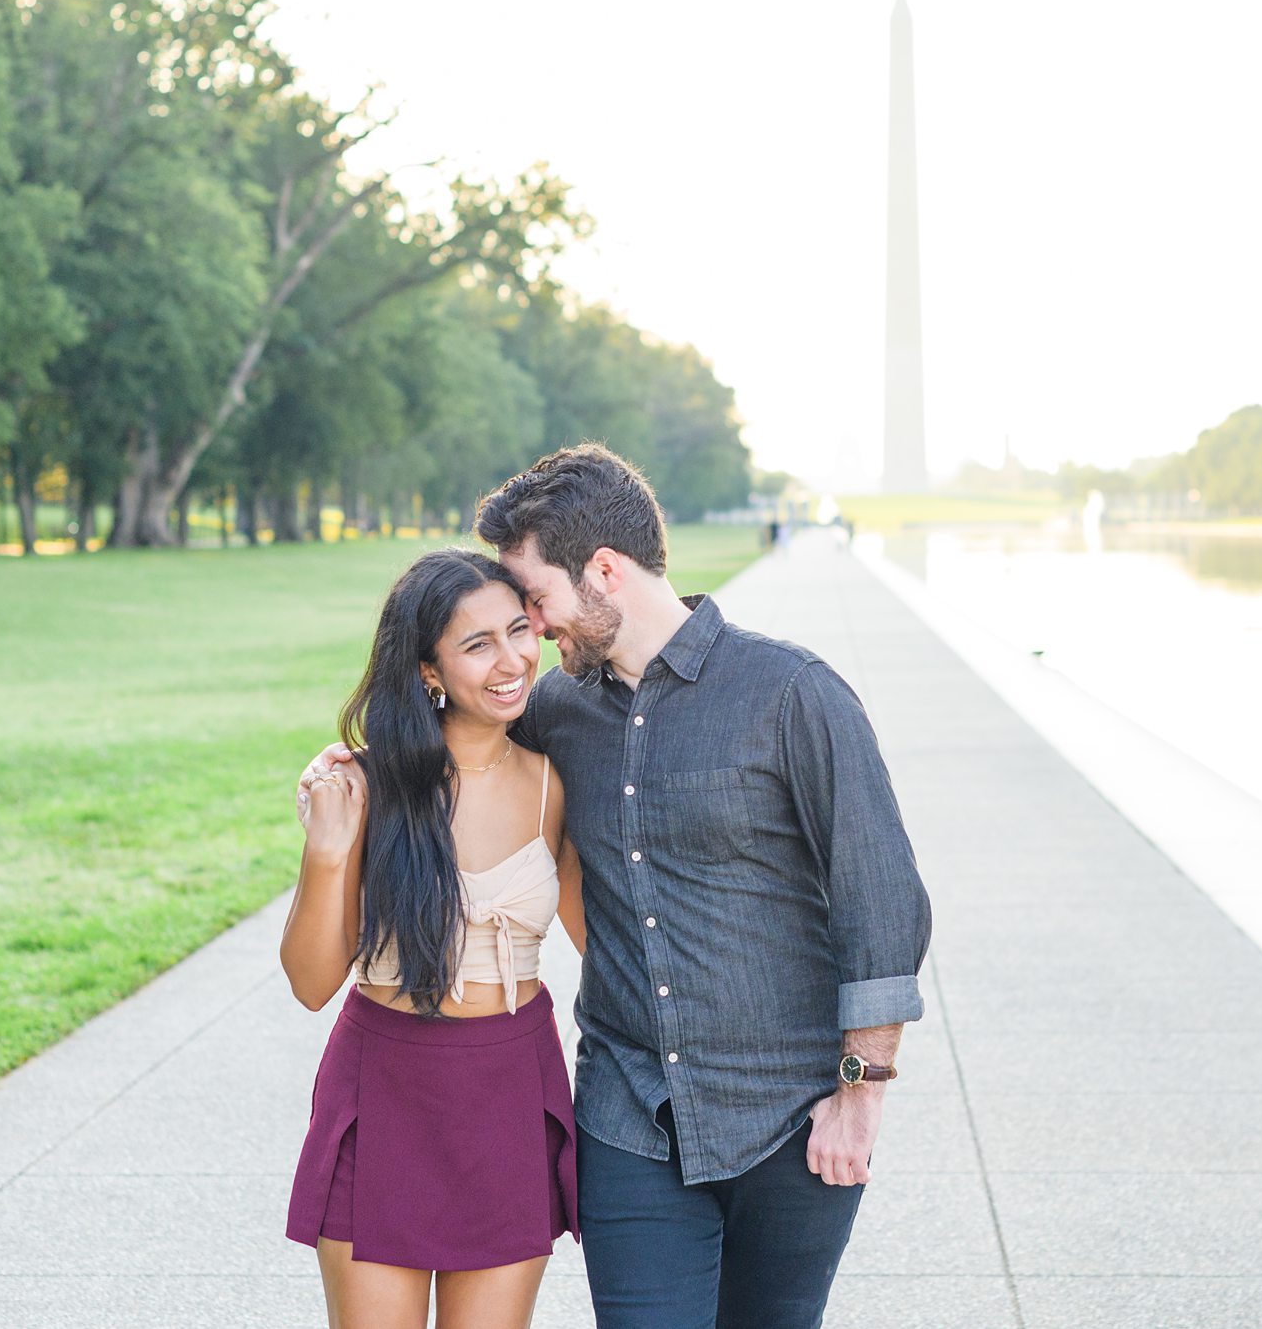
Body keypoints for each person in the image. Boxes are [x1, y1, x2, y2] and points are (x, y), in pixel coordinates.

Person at [307, 444, 933, 1329]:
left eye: (536, 600)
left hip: (789, 1118)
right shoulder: (557, 713)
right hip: (630, 1114)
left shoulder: (793, 694)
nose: (532, 629)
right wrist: (351, 776)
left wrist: (860, 1093)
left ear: (603, 570)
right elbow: (453, 742)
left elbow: (883, 901)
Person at [278, 548, 585, 1329]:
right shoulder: (364, 785)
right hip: (384, 1090)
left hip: (509, 1092)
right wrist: (326, 849)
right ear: (429, 671)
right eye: (477, 643)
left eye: (520, 630)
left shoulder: (556, 785)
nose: (512, 658)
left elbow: (606, 946)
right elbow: (312, 982)